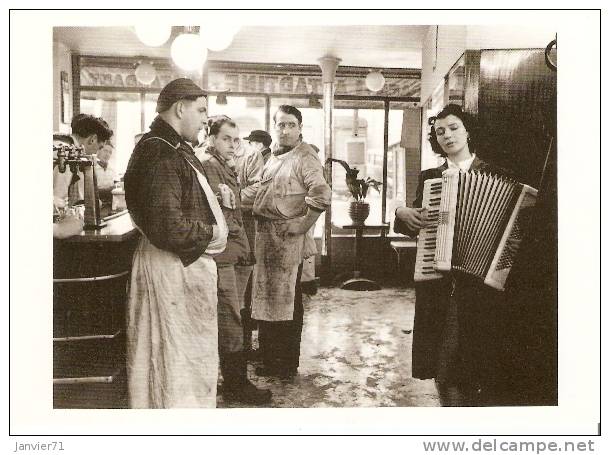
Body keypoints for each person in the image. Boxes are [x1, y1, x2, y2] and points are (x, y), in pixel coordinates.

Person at [394, 104, 509, 406]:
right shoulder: (431, 177)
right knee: (441, 368)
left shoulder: (497, 174)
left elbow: (514, 228)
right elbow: (412, 225)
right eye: (440, 132)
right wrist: (402, 212)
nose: (447, 135)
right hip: (439, 285)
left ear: (468, 130)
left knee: (475, 367)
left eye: (454, 127)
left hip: (481, 288)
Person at [123, 78, 228, 408]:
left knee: (181, 360)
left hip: (177, 267)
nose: (203, 119)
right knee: (171, 362)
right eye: (200, 111)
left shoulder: (171, 147)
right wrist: (210, 233)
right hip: (169, 268)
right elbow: (169, 226)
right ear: (180, 108)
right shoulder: (159, 152)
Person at [252, 105, 331, 379]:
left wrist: (302, 225)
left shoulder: (304, 156)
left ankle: (284, 365)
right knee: (269, 301)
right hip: (266, 240)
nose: (284, 130)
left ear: (300, 128)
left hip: (286, 240)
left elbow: (321, 194)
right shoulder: (275, 157)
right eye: (280, 125)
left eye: (290, 125)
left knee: (287, 302)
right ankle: (270, 358)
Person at [199, 115, 272, 405]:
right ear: (212, 138)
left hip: (235, 251)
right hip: (223, 254)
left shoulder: (222, 165)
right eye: (226, 139)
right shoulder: (208, 166)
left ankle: (233, 380)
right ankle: (236, 384)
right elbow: (221, 214)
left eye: (235, 139)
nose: (232, 145)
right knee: (230, 318)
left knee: (235, 315)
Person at [233, 132, 266, 358]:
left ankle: (242, 348)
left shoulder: (251, 156)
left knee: (244, 285)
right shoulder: (202, 154)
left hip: (244, 225)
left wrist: (228, 199)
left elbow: (257, 190)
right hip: (216, 230)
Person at [53, 115, 113, 205]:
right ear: (92, 140)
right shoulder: (69, 153)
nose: (96, 153)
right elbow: (57, 199)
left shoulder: (59, 142)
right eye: (99, 148)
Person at [95, 142, 117, 207]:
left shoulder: (112, 170)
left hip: (110, 204)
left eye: (110, 152)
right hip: (97, 204)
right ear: (98, 151)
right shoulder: (93, 168)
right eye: (105, 151)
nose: (107, 154)